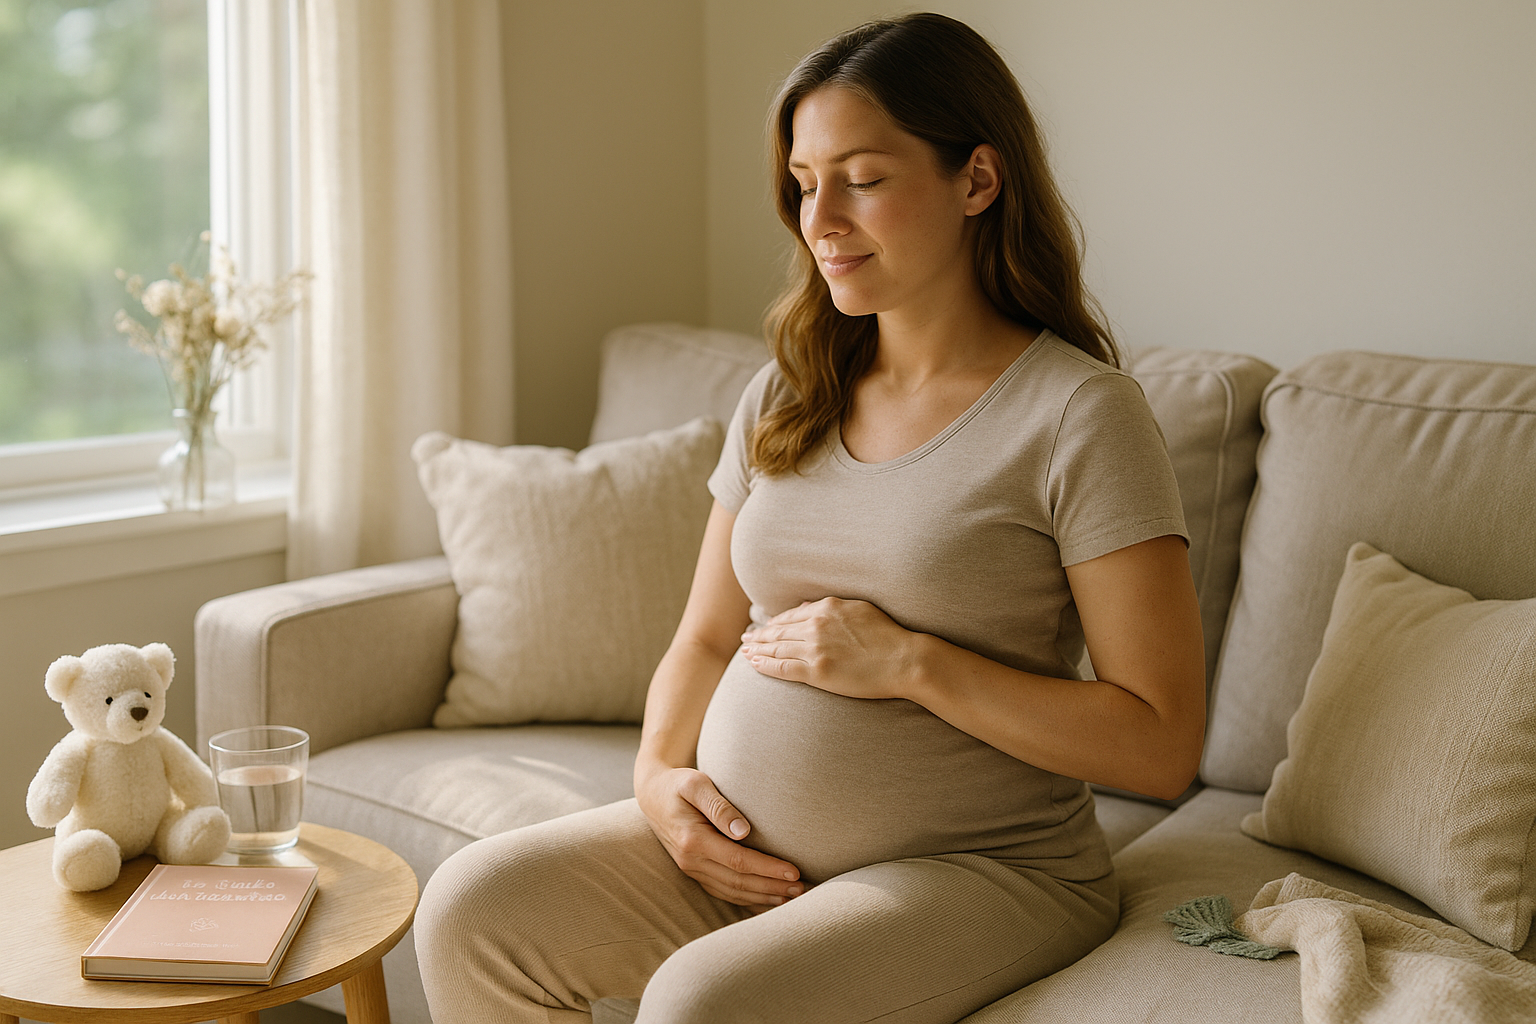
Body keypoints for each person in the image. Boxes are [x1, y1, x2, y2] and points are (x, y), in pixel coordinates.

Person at [416, 12, 1205, 1024]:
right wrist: (659, 775)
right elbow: (706, 634)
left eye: (863, 179)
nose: (819, 219)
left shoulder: (1078, 415)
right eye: (803, 181)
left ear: (977, 179)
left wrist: (910, 662)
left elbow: (1161, 742)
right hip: (750, 857)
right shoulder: (788, 390)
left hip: (985, 870)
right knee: (473, 908)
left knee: (700, 1002)